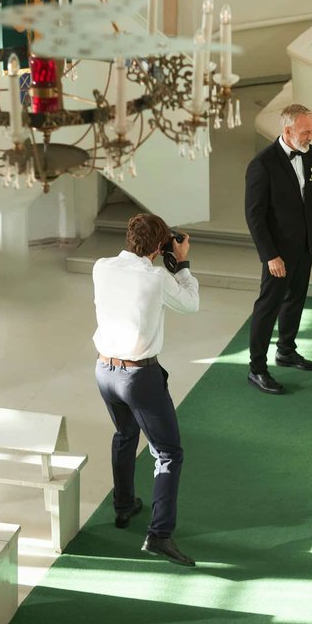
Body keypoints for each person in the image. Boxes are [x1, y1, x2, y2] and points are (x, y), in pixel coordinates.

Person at [93, 213, 200, 565]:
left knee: (125, 434)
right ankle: (159, 535)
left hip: (104, 371)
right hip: (139, 378)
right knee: (168, 454)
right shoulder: (156, 278)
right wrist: (181, 263)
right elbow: (190, 304)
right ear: (159, 246)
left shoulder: (102, 267)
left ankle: (123, 507)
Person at [245, 103, 312, 394]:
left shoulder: (311, 154)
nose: (311, 136)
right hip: (278, 252)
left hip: (306, 245)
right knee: (267, 308)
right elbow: (254, 216)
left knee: (295, 300)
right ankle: (256, 369)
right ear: (288, 131)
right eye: (306, 131)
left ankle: (286, 350)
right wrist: (270, 255)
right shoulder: (262, 164)